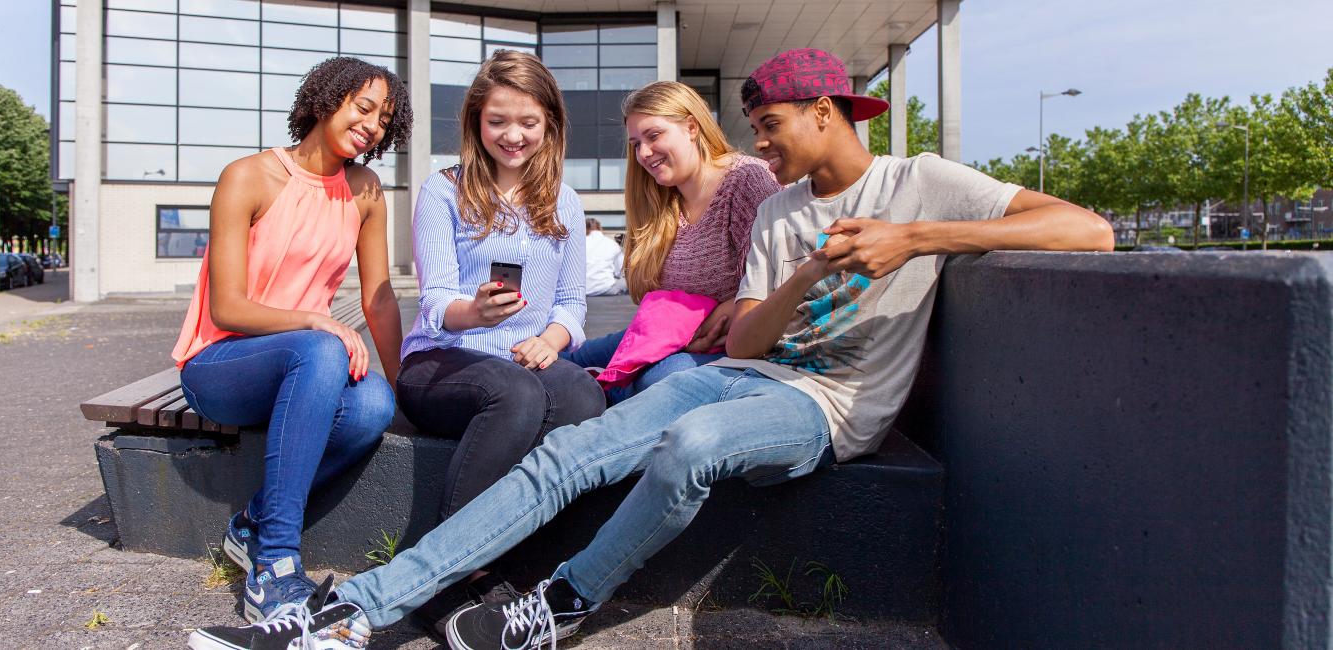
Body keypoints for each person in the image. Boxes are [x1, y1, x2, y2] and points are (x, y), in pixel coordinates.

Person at [186, 48, 1114, 650]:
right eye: (751, 132)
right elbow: (748, 335)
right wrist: (796, 282)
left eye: (772, 127)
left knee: (687, 445)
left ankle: (560, 603)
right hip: (753, 370)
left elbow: (1090, 231)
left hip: (833, 406)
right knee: (571, 447)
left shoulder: (927, 181)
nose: (760, 148)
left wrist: (917, 240)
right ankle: (356, 613)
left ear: (828, 111)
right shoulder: (781, 207)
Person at [170, 57, 412, 623]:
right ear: (326, 99)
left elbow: (378, 296)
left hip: (306, 363)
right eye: (364, 106)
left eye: (384, 119)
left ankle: (251, 525)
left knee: (373, 402)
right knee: (323, 345)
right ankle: (274, 565)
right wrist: (313, 321)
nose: (373, 124)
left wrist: (404, 388)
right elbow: (226, 306)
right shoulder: (247, 176)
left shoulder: (365, 191)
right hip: (221, 365)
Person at [389, 50, 606, 636]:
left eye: (528, 123)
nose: (513, 136)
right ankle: (448, 575)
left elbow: (571, 306)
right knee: (514, 394)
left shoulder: (563, 200)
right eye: (498, 121)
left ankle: (514, 553)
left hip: (522, 357)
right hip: (441, 359)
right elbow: (434, 299)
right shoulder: (443, 190)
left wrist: (552, 340)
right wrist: (474, 311)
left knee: (583, 398)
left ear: (551, 125)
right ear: (475, 123)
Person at [563, 81, 782, 403]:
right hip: (669, 336)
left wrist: (727, 310)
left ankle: (598, 392)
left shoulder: (747, 180)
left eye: (653, 136)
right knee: (564, 361)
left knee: (661, 380)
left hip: (739, 349)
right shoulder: (663, 201)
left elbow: (775, 284)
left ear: (691, 127)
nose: (644, 153)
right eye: (636, 144)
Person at [583, 218, 625, 296]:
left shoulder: (580, 244)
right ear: (600, 228)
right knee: (626, 282)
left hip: (583, 290)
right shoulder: (611, 243)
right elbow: (621, 270)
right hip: (607, 288)